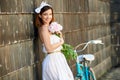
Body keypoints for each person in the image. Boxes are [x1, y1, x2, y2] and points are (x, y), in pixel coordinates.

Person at [35, 1, 74, 80]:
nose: (48, 17)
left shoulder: (49, 27)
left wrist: (59, 35)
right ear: (40, 15)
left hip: (58, 58)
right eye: (45, 14)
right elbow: (48, 48)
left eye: (50, 14)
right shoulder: (44, 29)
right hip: (53, 60)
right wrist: (61, 42)